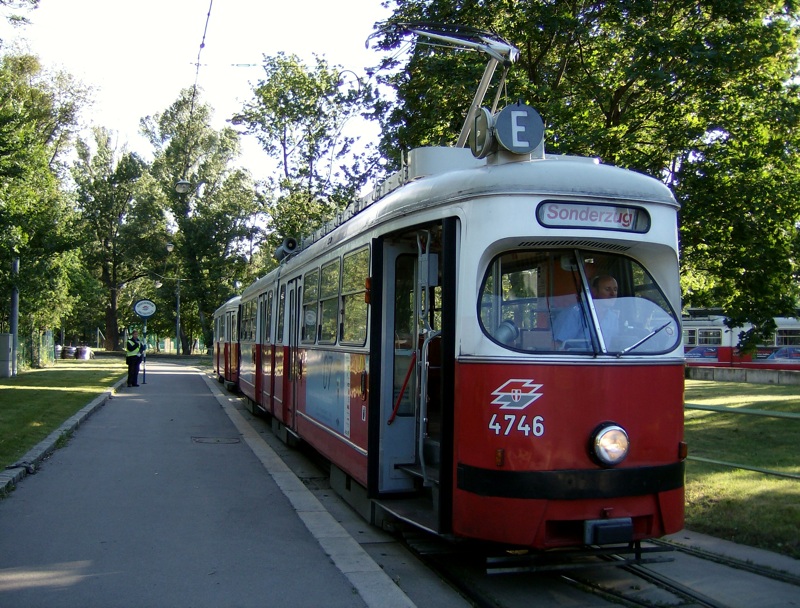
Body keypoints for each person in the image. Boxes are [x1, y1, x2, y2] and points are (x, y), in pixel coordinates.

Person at [552, 275, 619, 348]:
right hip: (576, 358)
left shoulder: (613, 317)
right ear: (594, 291)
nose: (613, 294)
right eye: (607, 289)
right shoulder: (575, 312)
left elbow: (614, 345)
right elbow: (557, 346)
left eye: (615, 290)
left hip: (602, 358)